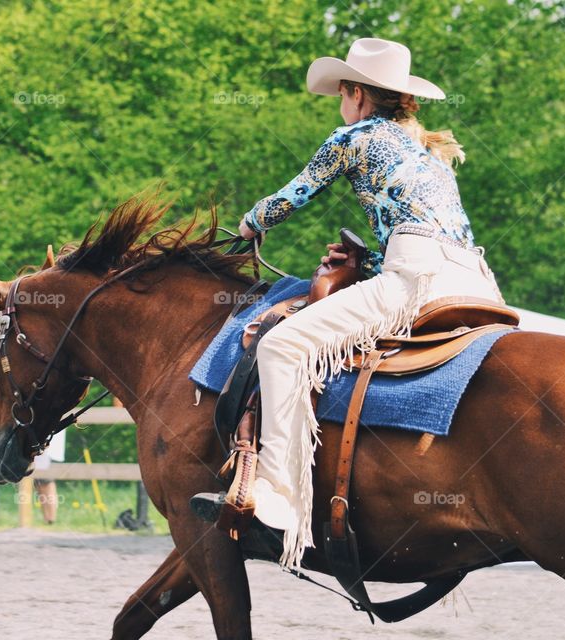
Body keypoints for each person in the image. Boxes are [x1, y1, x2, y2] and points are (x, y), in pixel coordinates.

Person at [192, 38, 505, 569]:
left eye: (342, 91)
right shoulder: (429, 153)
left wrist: (249, 224)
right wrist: (373, 264)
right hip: (475, 281)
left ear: (358, 93)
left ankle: (280, 504)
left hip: (418, 279)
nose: (340, 101)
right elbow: (425, 229)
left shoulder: (354, 137)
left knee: (283, 348)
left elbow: (294, 194)